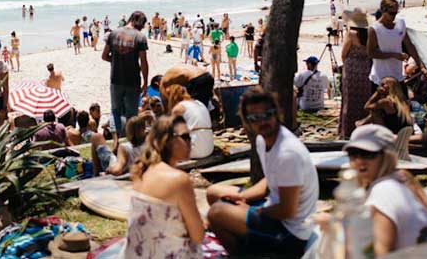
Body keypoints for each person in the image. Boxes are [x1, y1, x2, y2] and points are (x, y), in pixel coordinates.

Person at [206, 88, 318, 256]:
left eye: (267, 114)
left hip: (291, 232)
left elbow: (288, 210)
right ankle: (252, 244)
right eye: (255, 118)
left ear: (277, 114)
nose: (263, 121)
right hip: (275, 209)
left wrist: (257, 211)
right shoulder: (262, 140)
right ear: (247, 122)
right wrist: (243, 197)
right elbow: (268, 182)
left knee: (216, 213)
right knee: (214, 193)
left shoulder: (287, 153)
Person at [343, 125, 427, 254]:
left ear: (386, 155)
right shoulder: (403, 177)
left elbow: (383, 253)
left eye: (368, 154)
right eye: (353, 154)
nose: (359, 160)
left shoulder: (382, 193)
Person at [122, 115, 204, 258]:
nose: (190, 141)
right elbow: (198, 236)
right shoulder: (179, 180)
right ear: (168, 141)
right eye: (185, 136)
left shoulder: (141, 171)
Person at [102, 11, 150, 137]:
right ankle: (130, 139)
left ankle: (116, 141)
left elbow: (104, 56)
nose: (142, 27)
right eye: (142, 24)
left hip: (115, 79)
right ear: (137, 21)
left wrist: (115, 61)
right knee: (132, 114)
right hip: (133, 81)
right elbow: (143, 62)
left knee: (115, 111)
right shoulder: (140, 37)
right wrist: (145, 82)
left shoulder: (113, 33)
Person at [367, 0, 427, 91]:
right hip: (380, 78)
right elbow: (371, 53)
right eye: (391, 13)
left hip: (398, 76)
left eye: (396, 13)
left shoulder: (400, 24)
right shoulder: (374, 29)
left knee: (404, 104)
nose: (394, 16)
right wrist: (394, 55)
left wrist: (421, 65)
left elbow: (409, 45)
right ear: (383, 10)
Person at [164, 84, 214, 159]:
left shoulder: (179, 108)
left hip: (195, 150)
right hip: (209, 148)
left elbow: (169, 129)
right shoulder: (199, 103)